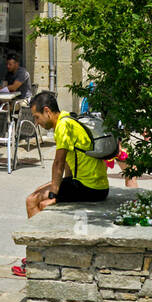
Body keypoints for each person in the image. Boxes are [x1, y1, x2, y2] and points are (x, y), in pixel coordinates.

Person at [23, 90, 109, 218]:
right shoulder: (68, 118)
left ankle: (42, 236)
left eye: (36, 117)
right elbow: (70, 159)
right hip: (95, 185)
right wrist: (65, 184)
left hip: (88, 188)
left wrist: (54, 195)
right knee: (37, 192)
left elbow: (59, 163)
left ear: (47, 111)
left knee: (32, 200)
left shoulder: (63, 126)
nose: (36, 122)